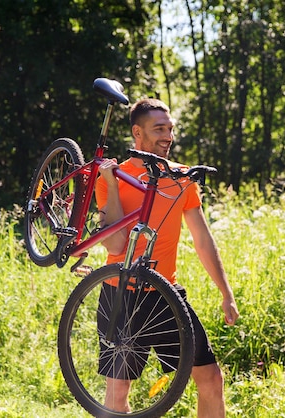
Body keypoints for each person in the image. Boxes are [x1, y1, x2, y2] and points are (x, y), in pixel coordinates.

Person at [95, 97, 239, 417]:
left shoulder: (181, 177)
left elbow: (202, 239)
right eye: (159, 128)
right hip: (122, 294)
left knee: (211, 379)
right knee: (117, 393)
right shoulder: (114, 175)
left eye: (170, 129)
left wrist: (225, 293)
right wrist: (110, 185)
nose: (168, 136)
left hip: (166, 296)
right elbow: (116, 245)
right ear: (138, 132)